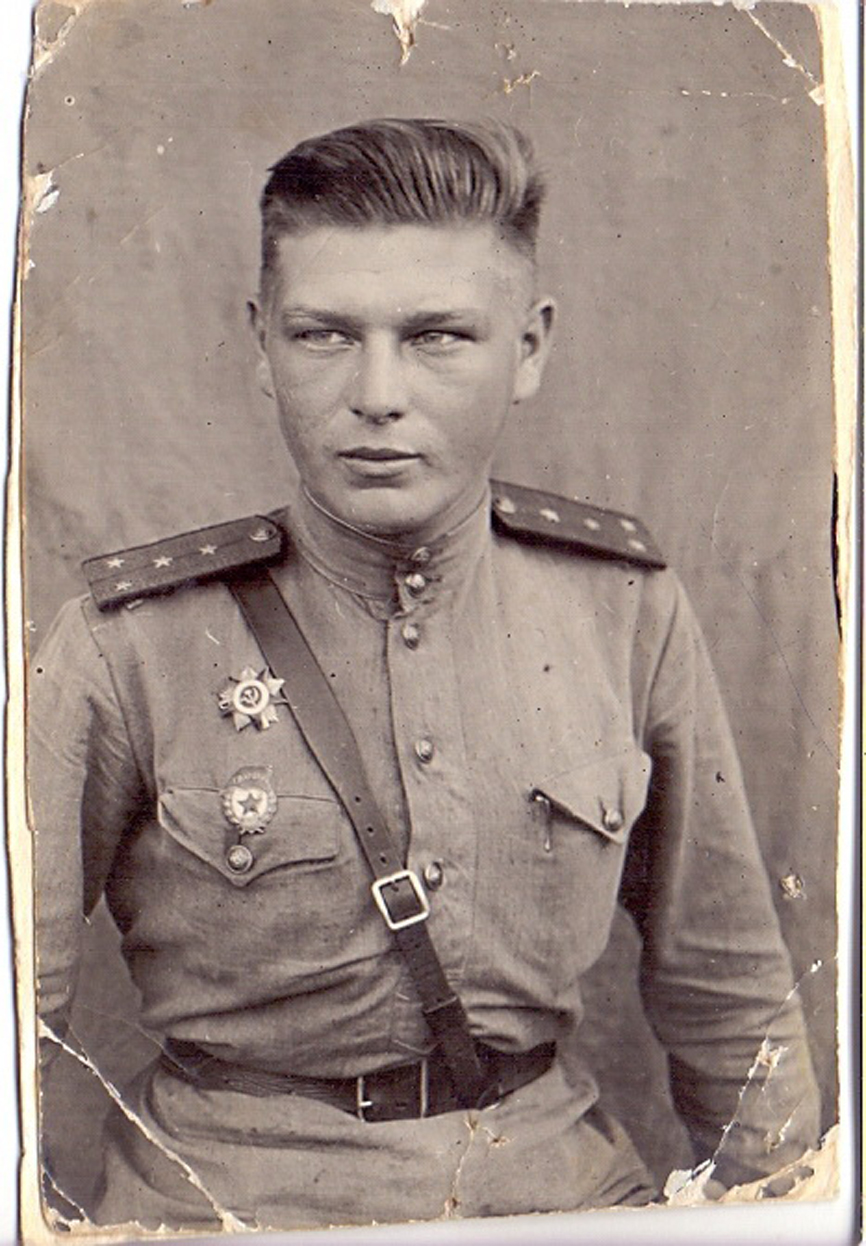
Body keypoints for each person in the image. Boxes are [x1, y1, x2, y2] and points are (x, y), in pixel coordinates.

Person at [30, 118, 820, 1231]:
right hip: (226, 1210)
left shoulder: (621, 609)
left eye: (438, 335)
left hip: (559, 1202)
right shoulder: (131, 642)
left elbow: (728, 990)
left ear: (528, 348)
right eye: (323, 335)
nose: (377, 392)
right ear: (260, 344)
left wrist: (783, 1214)